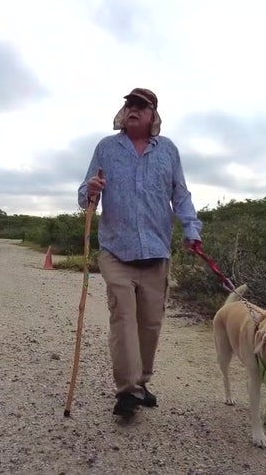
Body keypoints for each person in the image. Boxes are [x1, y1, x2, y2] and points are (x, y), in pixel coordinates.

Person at [78, 87, 203, 418]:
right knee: (123, 319)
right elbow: (84, 193)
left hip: (156, 252)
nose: (132, 110)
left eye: (140, 106)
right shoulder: (106, 148)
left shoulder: (168, 151)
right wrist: (90, 190)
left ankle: (142, 382)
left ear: (152, 116)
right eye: (128, 105)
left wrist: (191, 229)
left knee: (150, 324)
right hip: (116, 251)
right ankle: (127, 389)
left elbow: (181, 194)